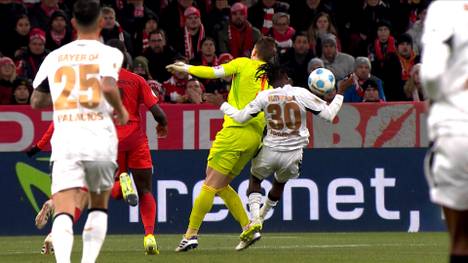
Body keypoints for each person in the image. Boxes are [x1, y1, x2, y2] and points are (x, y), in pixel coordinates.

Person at [204, 63, 346, 250]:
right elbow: (329, 115)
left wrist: (221, 103)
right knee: (279, 183)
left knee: (255, 180)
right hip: (293, 154)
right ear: (286, 75)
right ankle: (261, 218)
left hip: (270, 151)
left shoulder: (264, 96)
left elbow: (239, 118)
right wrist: (341, 91)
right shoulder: (301, 93)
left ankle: (255, 219)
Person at [30, 1, 128, 262]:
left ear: (72, 24)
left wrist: (66, 97)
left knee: (63, 210)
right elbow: (108, 86)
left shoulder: (54, 57)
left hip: (66, 142)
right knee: (98, 206)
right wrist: (121, 109)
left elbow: (36, 102)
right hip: (100, 140)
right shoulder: (110, 54)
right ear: (100, 23)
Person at [166, 36, 277, 252]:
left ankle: (190, 235)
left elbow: (213, 72)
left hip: (235, 132)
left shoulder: (243, 63)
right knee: (219, 183)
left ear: (254, 51)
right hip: (254, 138)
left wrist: (185, 67)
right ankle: (249, 226)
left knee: (209, 183)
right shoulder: (269, 81)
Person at [106, 39, 168, 255]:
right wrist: (163, 125)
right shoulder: (137, 80)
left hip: (110, 140)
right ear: (124, 56)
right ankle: (149, 236)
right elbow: (158, 112)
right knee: (145, 190)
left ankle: (121, 182)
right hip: (135, 139)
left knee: (108, 188)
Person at [421, 1, 468, 262]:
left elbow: (430, 76)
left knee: (460, 240)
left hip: (456, 129)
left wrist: (441, 98)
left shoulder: (444, 9)